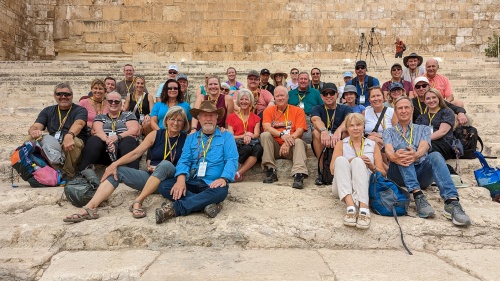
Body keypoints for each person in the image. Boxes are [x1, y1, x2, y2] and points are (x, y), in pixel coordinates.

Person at [63, 106, 189, 222]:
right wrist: (114, 165)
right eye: (172, 119)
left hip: (170, 180)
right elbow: (135, 153)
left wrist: (161, 167)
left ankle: (138, 201)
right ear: (166, 120)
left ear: (184, 123)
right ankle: (90, 207)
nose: (175, 123)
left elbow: (188, 163)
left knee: (165, 165)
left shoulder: (187, 138)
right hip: (150, 177)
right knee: (117, 171)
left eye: (180, 120)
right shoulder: (156, 134)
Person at [383, 97, 471, 226]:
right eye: (400, 108)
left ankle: (452, 203)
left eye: (406, 107)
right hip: (398, 174)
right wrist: (396, 156)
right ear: (395, 111)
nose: (403, 111)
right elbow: (389, 151)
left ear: (412, 109)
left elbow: (424, 146)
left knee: (435, 155)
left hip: (421, 173)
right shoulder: (388, 131)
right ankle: (418, 196)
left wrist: (415, 155)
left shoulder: (423, 129)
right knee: (402, 149)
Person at [155, 101, 239, 224]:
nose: (208, 119)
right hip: (192, 181)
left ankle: (175, 208)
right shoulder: (191, 138)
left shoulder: (227, 136)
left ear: (217, 118)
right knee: (165, 186)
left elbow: (232, 159)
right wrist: (181, 179)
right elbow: (184, 160)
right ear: (199, 118)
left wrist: (224, 178)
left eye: (211, 115)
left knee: (222, 191)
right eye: (204, 115)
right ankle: (206, 204)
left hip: (212, 184)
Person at [331, 113, 385, 229]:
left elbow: (383, 173)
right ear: (347, 128)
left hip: (364, 186)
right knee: (341, 160)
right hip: (342, 186)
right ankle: (351, 208)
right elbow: (332, 170)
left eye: (358, 125)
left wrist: (371, 166)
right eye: (351, 125)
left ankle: (364, 209)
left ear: (364, 126)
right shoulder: (341, 144)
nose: (355, 128)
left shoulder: (372, 145)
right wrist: (350, 161)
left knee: (359, 162)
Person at [28, 83, 87, 178]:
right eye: (59, 94)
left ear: (72, 96)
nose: (63, 97)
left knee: (74, 142)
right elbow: (36, 126)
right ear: (54, 96)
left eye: (67, 94)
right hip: (54, 144)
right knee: (29, 138)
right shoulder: (47, 110)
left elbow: (79, 124)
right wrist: (34, 131)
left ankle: (68, 173)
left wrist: (69, 135)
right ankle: (35, 168)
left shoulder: (80, 110)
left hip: (72, 144)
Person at [78, 92, 140, 172]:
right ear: (106, 103)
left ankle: (134, 173)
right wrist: (108, 140)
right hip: (104, 151)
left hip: (123, 152)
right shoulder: (100, 116)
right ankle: (82, 172)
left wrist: (117, 137)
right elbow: (97, 131)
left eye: (116, 101)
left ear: (121, 103)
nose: (113, 103)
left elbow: (134, 130)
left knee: (129, 140)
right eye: (110, 101)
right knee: (94, 140)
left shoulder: (128, 115)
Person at [261, 86, 308, 189]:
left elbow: (300, 130)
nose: (280, 98)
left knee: (299, 142)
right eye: (277, 96)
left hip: (292, 147)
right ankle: (270, 170)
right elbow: (266, 127)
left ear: (287, 96)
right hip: (275, 147)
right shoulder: (268, 111)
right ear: (274, 98)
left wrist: (287, 141)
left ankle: (299, 174)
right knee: (265, 135)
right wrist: (282, 136)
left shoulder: (298, 111)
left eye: (282, 95)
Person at [311, 83, 353, 185]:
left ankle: (346, 170)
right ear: (321, 96)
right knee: (316, 132)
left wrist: (338, 131)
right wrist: (324, 131)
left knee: (347, 132)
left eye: (331, 93)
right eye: (325, 93)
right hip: (323, 139)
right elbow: (315, 119)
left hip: (339, 139)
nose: (328, 96)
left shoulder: (345, 108)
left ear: (337, 95)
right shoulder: (317, 108)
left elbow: (349, 120)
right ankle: (321, 171)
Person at [415, 88, 460, 175]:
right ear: (424, 101)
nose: (431, 100)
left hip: (444, 143)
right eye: (428, 98)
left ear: (439, 98)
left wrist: (424, 140)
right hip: (425, 143)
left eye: (434, 97)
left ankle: (449, 171)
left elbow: (442, 132)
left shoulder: (446, 112)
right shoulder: (421, 117)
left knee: (428, 148)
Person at [227, 89, 263, 182]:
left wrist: (250, 135)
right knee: (247, 148)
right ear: (238, 101)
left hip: (251, 142)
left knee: (258, 148)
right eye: (241, 99)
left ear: (250, 101)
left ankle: (238, 173)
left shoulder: (256, 118)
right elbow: (230, 136)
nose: (244, 102)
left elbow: (256, 134)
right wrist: (243, 136)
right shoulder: (231, 117)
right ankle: (234, 170)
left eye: (246, 99)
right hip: (237, 143)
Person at [288, 72, 323, 143]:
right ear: (297, 80)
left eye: (305, 79)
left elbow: (322, 107)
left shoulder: (315, 92)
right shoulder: (290, 93)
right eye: (301, 79)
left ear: (309, 81)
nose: (303, 81)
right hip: (294, 119)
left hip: (311, 118)